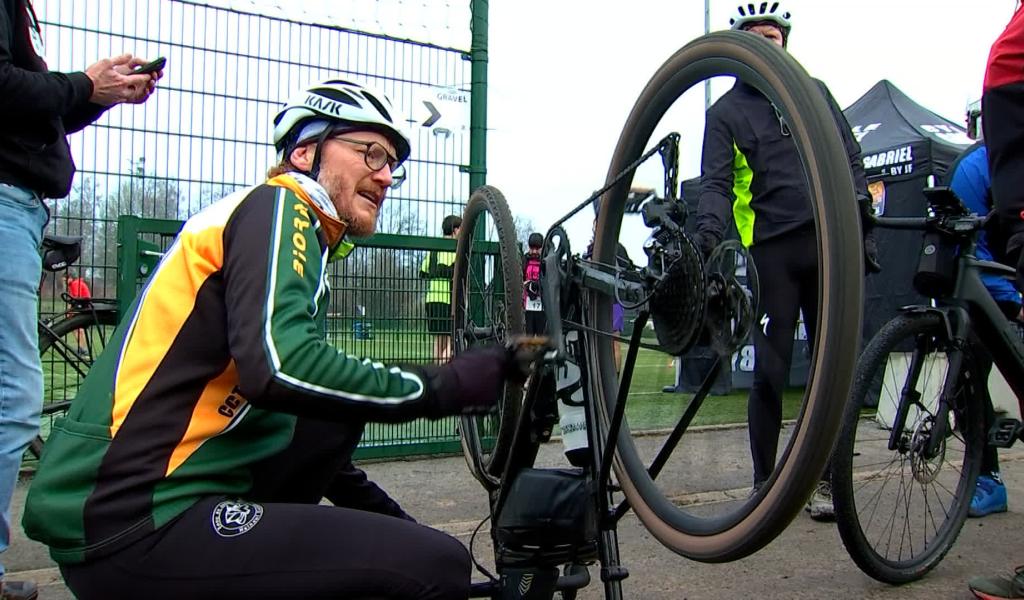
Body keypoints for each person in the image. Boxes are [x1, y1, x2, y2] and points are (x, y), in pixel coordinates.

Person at [22, 78, 531, 600]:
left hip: (139, 510)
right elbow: (281, 368)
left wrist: (397, 524)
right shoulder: (281, 206)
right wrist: (449, 384)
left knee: (334, 424)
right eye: (371, 153)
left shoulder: (283, 234)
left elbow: (311, 426)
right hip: (140, 517)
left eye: (393, 164)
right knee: (434, 569)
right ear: (305, 150)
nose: (386, 175)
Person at [1, 1, 161, 598]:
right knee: (11, 393)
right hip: (4, 203)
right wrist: (82, 83)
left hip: (18, 206)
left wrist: (97, 95)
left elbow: (25, 114)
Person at [695, 2, 876, 519]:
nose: (765, 46)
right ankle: (764, 484)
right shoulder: (725, 113)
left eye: (772, 37)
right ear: (739, 50)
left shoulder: (815, 92)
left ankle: (826, 483)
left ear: (785, 44)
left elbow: (850, 156)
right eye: (754, 38)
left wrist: (861, 216)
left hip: (829, 246)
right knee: (770, 373)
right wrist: (707, 238)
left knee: (832, 373)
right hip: (773, 253)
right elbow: (716, 183)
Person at [967, 8, 1024, 598]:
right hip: (994, 291)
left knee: (972, 392)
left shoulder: (976, 162)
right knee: (973, 391)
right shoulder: (974, 163)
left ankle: (986, 480)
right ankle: (987, 479)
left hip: (996, 294)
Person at [945, 136, 1021, 519]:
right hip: (995, 281)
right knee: (967, 374)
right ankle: (987, 478)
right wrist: (1017, 303)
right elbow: (970, 252)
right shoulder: (977, 167)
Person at [421, 214, 460, 361]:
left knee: (438, 339)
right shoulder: (453, 249)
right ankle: (443, 368)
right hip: (448, 299)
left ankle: (437, 369)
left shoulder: (433, 249)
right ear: (455, 230)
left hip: (432, 298)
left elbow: (423, 271)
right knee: (452, 337)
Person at [523, 232, 546, 335]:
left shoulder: (545, 262)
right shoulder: (525, 260)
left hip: (542, 305)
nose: (534, 251)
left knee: (541, 334)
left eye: (537, 249)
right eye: (532, 248)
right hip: (528, 305)